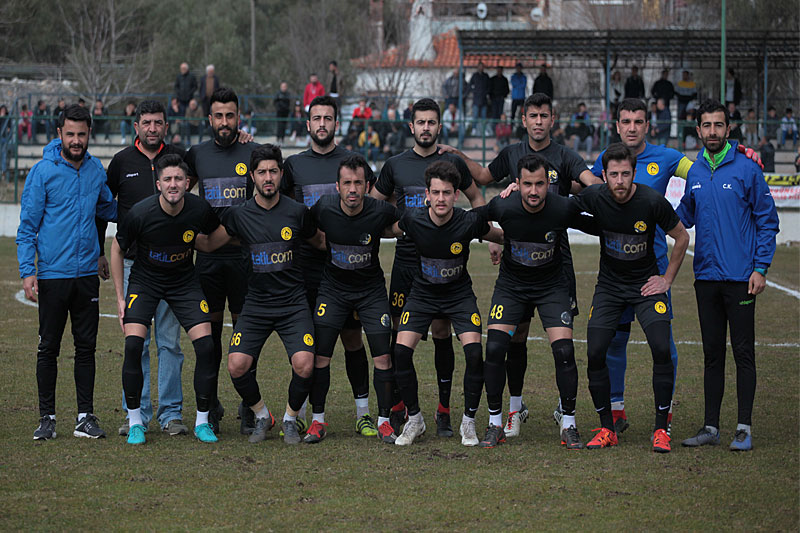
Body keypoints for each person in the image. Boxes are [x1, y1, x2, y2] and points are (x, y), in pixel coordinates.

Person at [440, 92, 602, 438]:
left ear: (552, 119)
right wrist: (458, 157)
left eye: (545, 115)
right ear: (524, 119)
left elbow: (592, 189)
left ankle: (567, 416)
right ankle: (510, 411)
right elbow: (482, 181)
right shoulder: (511, 157)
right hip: (515, 266)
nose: (539, 121)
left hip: (555, 263)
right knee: (509, 341)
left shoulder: (565, 157)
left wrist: (613, 193)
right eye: (533, 115)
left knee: (563, 348)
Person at [371, 98, 491, 439]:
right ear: (411, 126)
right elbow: (377, 207)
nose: (426, 127)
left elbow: (477, 198)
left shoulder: (451, 162)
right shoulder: (395, 164)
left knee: (442, 336)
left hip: (447, 263)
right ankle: (403, 409)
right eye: (420, 122)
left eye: (431, 122)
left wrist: (489, 233)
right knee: (399, 337)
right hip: (408, 263)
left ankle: (444, 410)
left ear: (440, 126)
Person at [195, 144, 325, 444]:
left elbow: (320, 241)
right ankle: (263, 415)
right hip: (256, 304)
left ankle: (291, 419)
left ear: (281, 174)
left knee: (305, 363)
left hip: (293, 303)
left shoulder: (298, 212)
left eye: (274, 171)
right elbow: (209, 244)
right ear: (252, 176)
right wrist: (176, 238)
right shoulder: (238, 215)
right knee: (236, 365)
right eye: (262, 172)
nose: (268, 177)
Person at [472, 154, 595, 449]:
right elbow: (473, 220)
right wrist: (494, 237)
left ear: (548, 183)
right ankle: (495, 423)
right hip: (512, 286)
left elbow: (598, 220)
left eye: (540, 183)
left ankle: (569, 424)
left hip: (552, 286)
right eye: (527, 184)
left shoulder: (562, 207)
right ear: (516, 184)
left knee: (564, 351)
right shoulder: (504, 205)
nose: (534, 191)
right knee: (494, 347)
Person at [678, 100, 779, 452]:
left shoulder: (748, 170)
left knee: (743, 352)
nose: (712, 132)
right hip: (705, 277)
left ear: (728, 128)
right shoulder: (695, 172)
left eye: (718, 125)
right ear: (698, 130)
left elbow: (768, 222)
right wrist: (646, 206)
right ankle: (710, 427)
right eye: (706, 126)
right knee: (711, 354)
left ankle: (743, 427)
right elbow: (683, 217)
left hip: (740, 278)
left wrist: (760, 268)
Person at [575, 143, 689, 453]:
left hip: (645, 286)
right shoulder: (594, 197)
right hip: (610, 288)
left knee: (662, 348)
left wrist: (666, 280)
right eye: (614, 175)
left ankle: (661, 428)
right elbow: (558, 205)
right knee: (596, 352)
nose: (620, 181)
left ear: (635, 173)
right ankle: (607, 429)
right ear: (605, 175)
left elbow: (681, 236)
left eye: (626, 174)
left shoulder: (652, 200)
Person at [17, 104, 117, 440]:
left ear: (90, 134)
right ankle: (47, 417)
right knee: (49, 348)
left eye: (82, 134)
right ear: (59, 133)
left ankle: (85, 417)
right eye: (70, 134)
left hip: (87, 274)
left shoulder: (95, 171)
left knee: (86, 348)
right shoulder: (42, 173)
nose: (76, 140)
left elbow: (107, 209)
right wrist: (27, 271)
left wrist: (150, 198)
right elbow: (27, 227)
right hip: (51, 276)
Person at [388, 161, 503, 446]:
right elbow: (388, 228)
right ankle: (415, 419)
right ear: (427, 194)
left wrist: (513, 239)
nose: (441, 198)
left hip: (459, 295)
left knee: (475, 353)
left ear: (456, 195)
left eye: (447, 193)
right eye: (436, 192)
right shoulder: (413, 219)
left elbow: (498, 231)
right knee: (400, 352)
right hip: (423, 294)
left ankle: (468, 422)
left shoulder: (469, 221)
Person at [282, 95, 377, 437]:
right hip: (305, 269)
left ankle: (362, 413)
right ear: (307, 124)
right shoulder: (293, 165)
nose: (322, 124)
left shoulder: (353, 163)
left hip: (347, 270)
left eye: (328, 118)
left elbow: (377, 203)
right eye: (316, 118)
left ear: (337, 124)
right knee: (309, 346)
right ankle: (304, 413)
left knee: (353, 340)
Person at [110, 154, 221, 445]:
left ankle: (202, 422)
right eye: (168, 179)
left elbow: (214, 236)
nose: (174, 184)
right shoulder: (140, 213)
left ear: (188, 183)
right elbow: (117, 249)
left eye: (179, 179)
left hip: (184, 282)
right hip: (146, 282)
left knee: (206, 346)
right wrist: (121, 299)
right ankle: (136, 421)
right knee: (134, 345)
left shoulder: (199, 209)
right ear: (158, 183)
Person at [97, 100, 190, 437]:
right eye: (146, 122)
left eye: (158, 122)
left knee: (170, 342)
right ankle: (134, 412)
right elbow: (102, 208)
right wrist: (100, 251)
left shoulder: (179, 157)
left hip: (173, 265)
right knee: (137, 342)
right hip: (135, 264)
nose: (152, 128)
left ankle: (171, 414)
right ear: (136, 126)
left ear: (166, 126)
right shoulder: (121, 162)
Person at [305, 154, 400, 444]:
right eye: (347, 183)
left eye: (359, 182)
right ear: (337, 186)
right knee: (321, 356)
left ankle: (381, 421)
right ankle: (317, 421)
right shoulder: (324, 207)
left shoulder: (380, 210)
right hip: (332, 291)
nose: (353, 189)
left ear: (367, 185)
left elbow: (407, 222)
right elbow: (309, 231)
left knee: (383, 356)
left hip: (370, 292)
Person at [184, 87, 259, 435]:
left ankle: (248, 405)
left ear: (238, 117)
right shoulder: (196, 154)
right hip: (209, 261)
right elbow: (176, 192)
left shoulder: (253, 151)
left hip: (247, 259)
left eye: (230, 115)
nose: (225, 122)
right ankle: (210, 405)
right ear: (209, 118)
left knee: (246, 336)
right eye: (219, 116)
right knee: (209, 339)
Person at [469, 62, 490, 136]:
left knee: (484, 117)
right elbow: (470, 85)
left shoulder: (486, 76)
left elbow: (489, 86)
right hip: (476, 100)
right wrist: (474, 91)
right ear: (477, 67)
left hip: (484, 100)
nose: (481, 68)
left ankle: (484, 130)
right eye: (479, 66)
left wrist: (486, 93)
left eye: (482, 67)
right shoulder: (474, 75)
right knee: (475, 116)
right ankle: (474, 130)